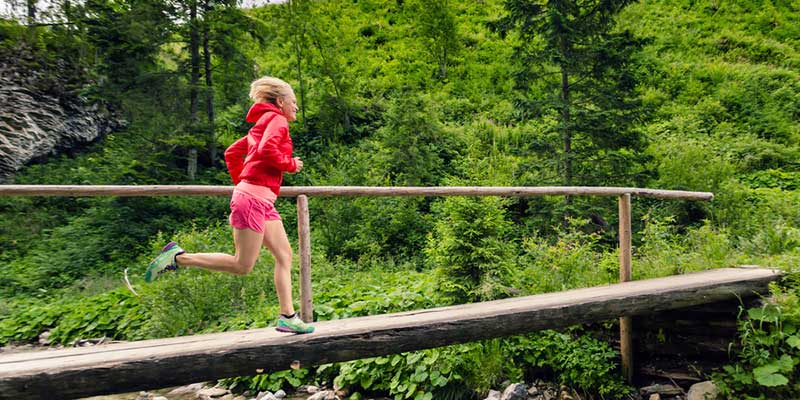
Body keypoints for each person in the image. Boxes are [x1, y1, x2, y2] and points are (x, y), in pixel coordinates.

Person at [144, 76, 314, 334]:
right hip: (254, 199)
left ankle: (287, 317)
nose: (296, 107)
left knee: (284, 255)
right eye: (293, 101)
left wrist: (244, 186)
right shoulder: (277, 120)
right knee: (242, 265)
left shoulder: (259, 126)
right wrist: (290, 165)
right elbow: (268, 151)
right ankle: (179, 258)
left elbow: (232, 154)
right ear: (280, 102)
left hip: (260, 200)